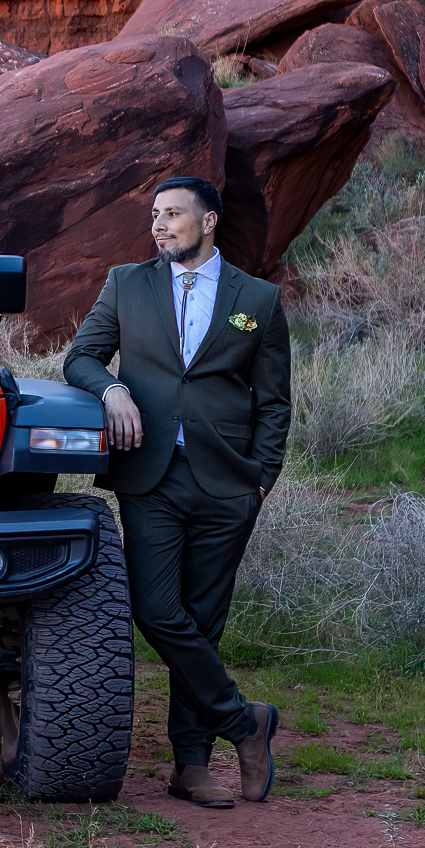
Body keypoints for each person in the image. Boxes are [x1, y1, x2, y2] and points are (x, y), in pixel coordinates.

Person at [62, 176, 290, 809]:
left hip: (227, 484)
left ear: (209, 221)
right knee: (158, 611)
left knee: (204, 622)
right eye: (155, 214)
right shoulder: (125, 284)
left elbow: (275, 402)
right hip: (151, 475)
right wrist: (110, 390)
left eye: (173, 215)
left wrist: (261, 481)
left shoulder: (259, 300)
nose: (159, 226)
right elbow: (80, 357)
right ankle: (246, 723)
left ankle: (191, 766)